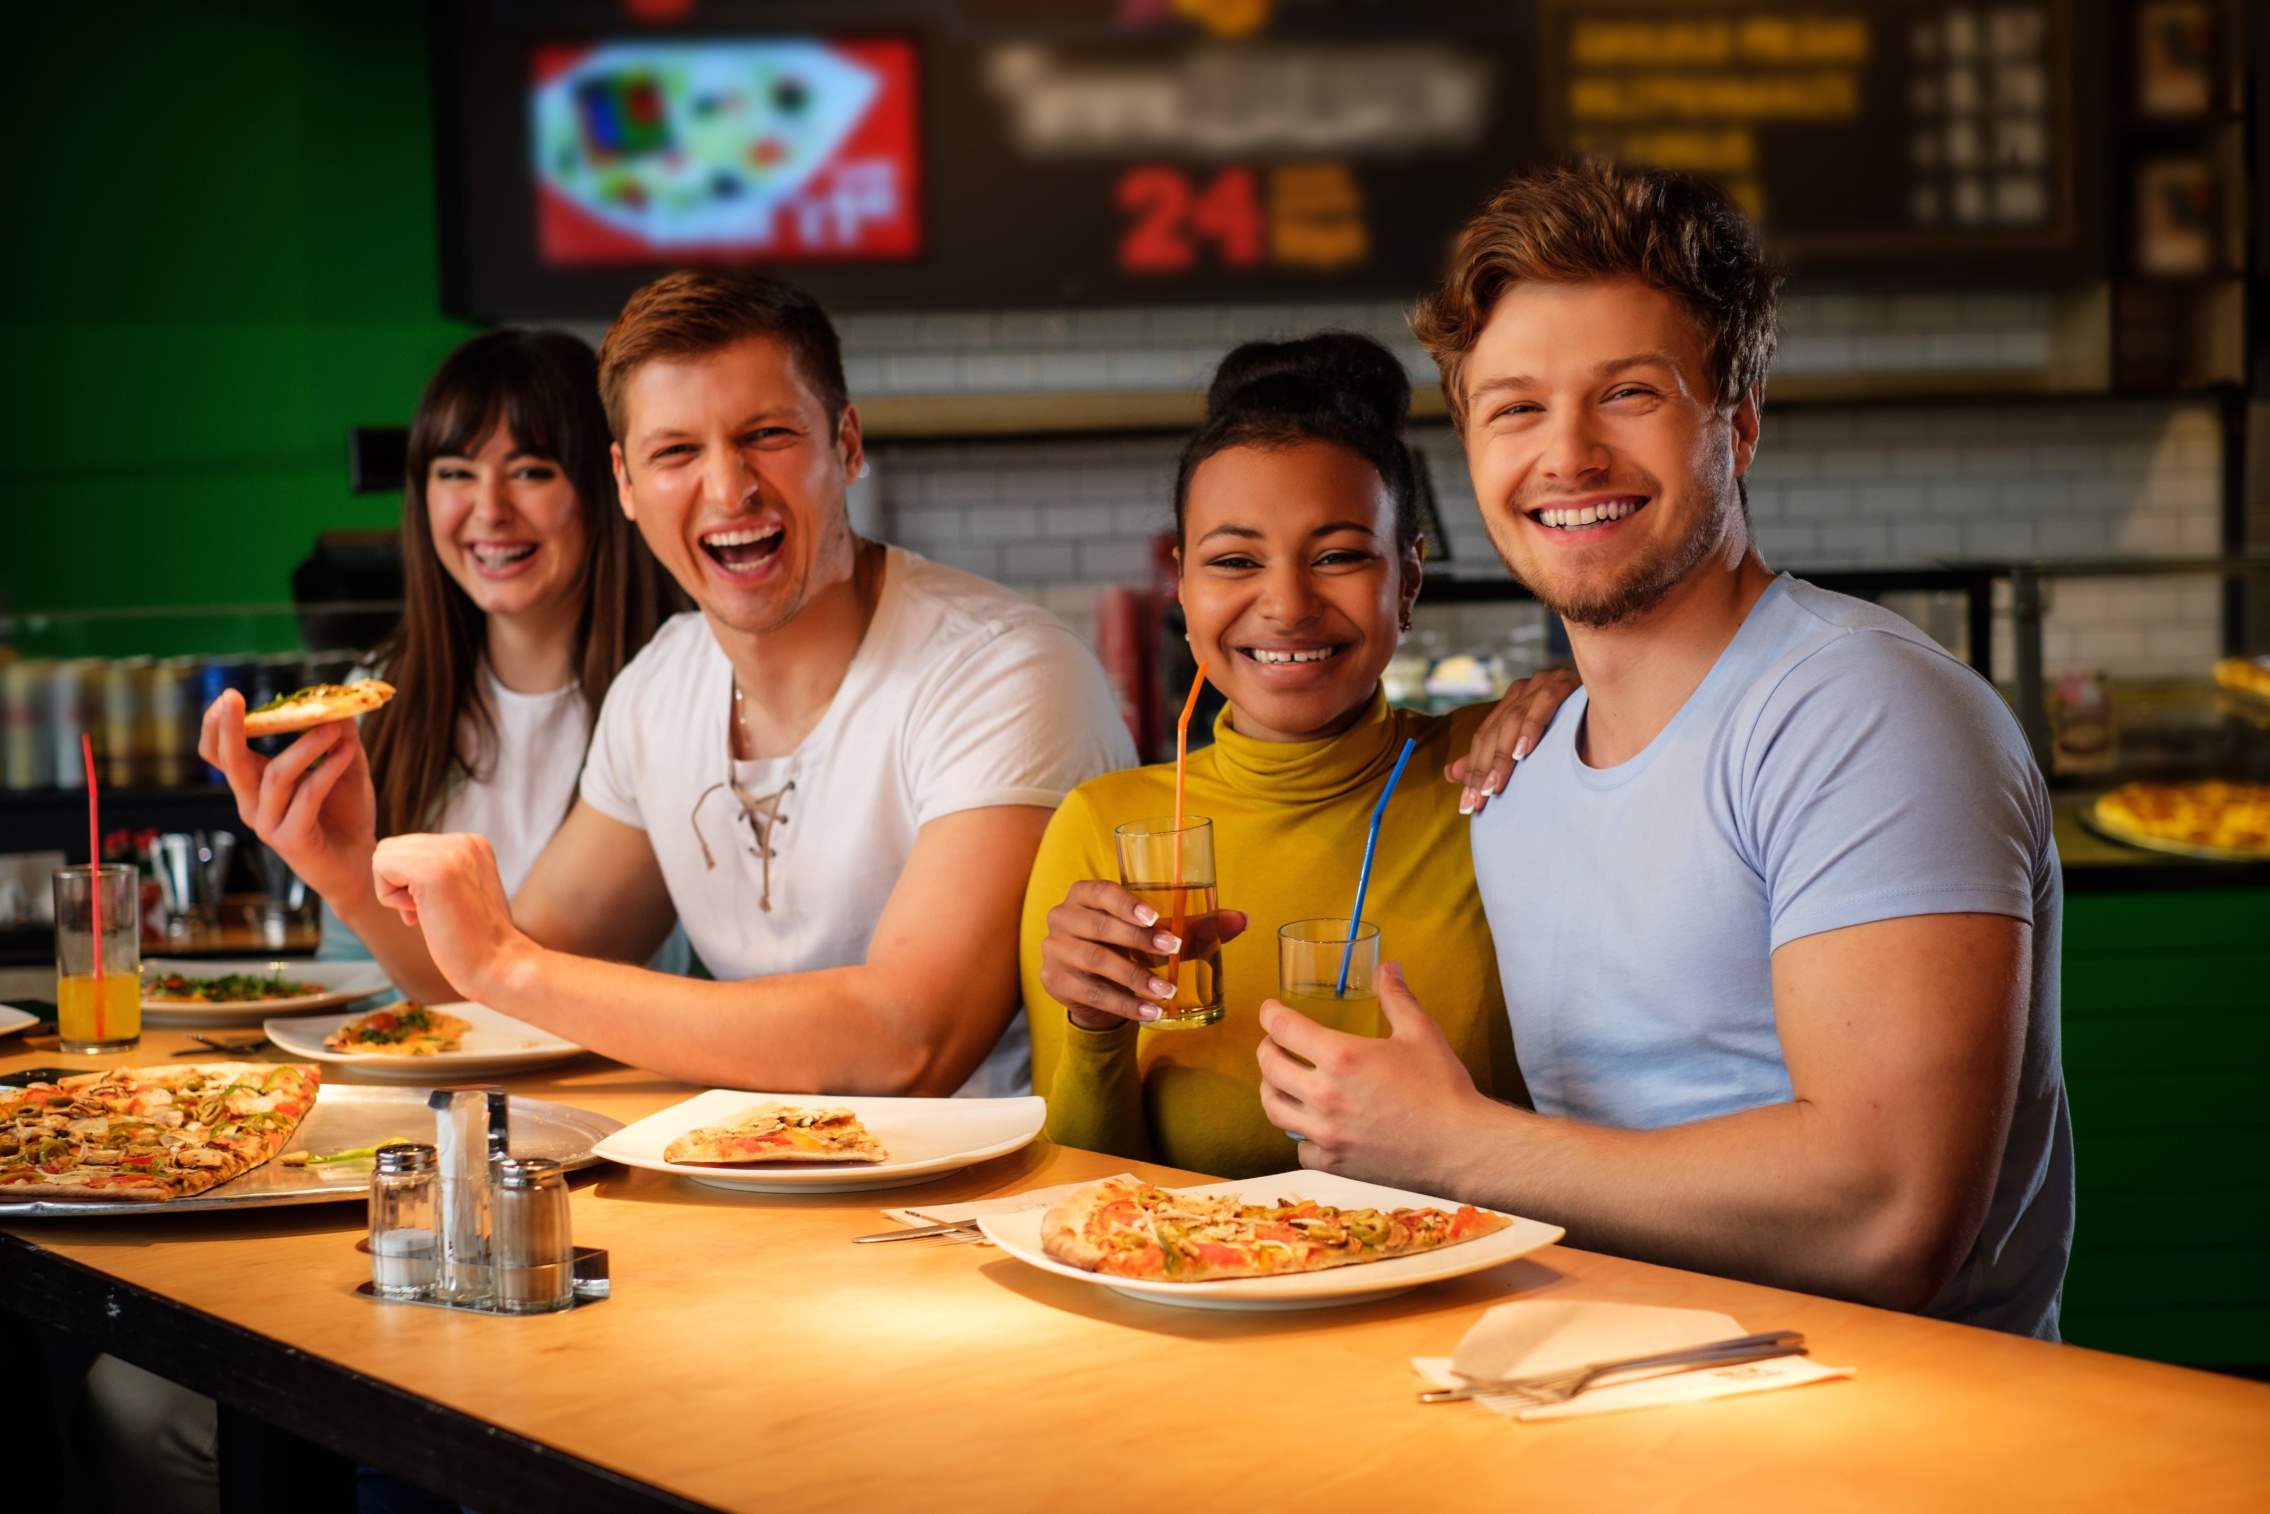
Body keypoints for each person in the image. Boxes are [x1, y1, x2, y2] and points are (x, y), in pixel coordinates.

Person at [1253, 159, 2071, 1338]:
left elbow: (1887, 1213)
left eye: (1626, 393)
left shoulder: (1863, 711)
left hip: (1886, 1441)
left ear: (1733, 423)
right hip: (1600, 1392)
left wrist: (1455, 1144)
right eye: (1515, 407)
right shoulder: (1521, 763)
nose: (1567, 454)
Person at [206, 268, 1133, 1096]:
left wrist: (512, 965)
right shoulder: (662, 687)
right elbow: (488, 986)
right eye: (677, 452)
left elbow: (906, 1042)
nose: (729, 491)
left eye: (766, 435)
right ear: (625, 482)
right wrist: (344, 871)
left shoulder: (1003, 671)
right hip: (755, 1199)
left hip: (988, 1228)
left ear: (846, 445)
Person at [1025, 333, 1573, 1179]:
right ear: (1183, 583)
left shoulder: (1507, 766)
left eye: (1340, 557)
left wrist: (1592, 696)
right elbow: (1083, 1192)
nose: (1285, 605)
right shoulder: (1105, 827)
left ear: (1410, 579)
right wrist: (1094, 1030)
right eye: (1235, 561)